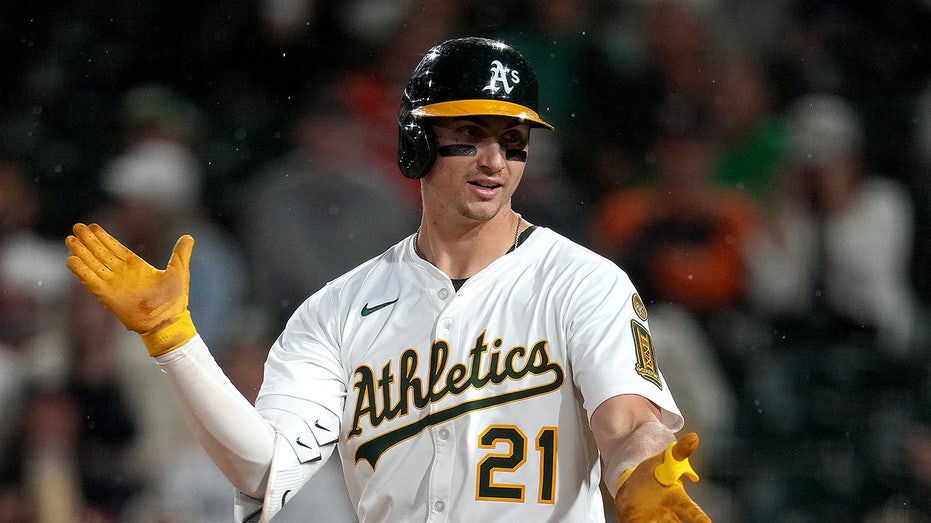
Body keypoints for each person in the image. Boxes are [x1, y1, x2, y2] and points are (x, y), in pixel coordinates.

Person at [64, 37, 710, 522]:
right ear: (415, 141)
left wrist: (644, 473)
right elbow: (263, 472)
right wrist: (174, 339)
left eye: (513, 139)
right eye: (470, 134)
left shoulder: (583, 283)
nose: (494, 159)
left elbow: (628, 425)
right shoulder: (336, 312)